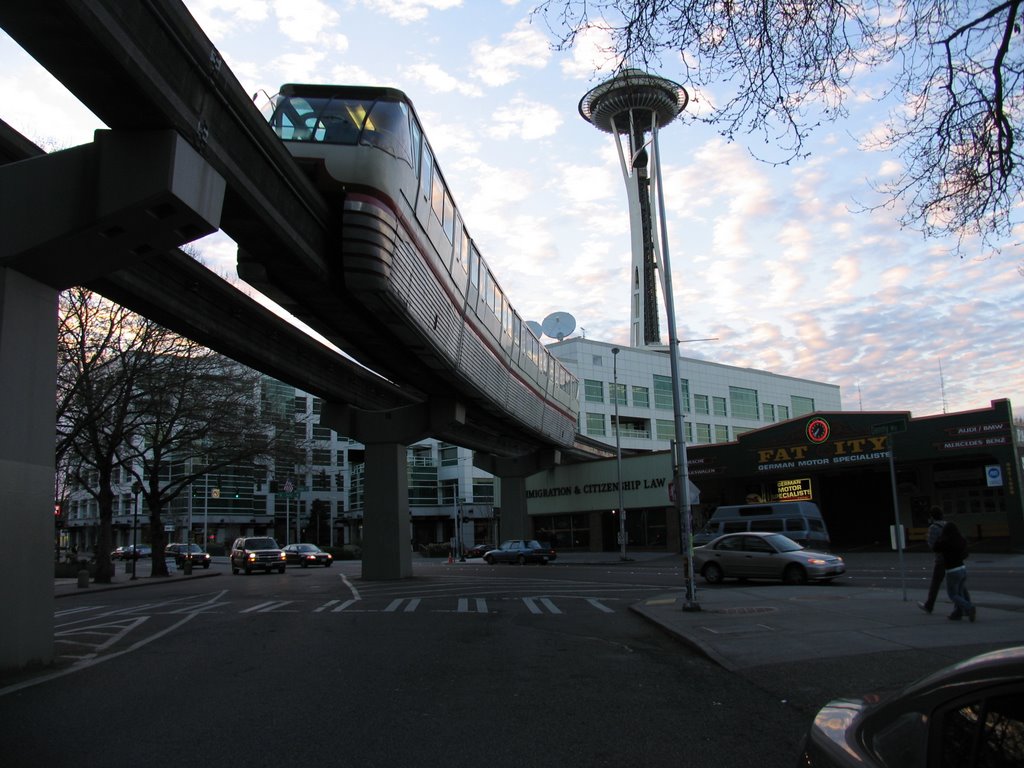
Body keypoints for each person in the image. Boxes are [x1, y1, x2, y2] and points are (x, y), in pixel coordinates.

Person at [932, 521, 976, 622]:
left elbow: (935, 547)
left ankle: (969, 607)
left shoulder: (945, 541)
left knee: (953, 594)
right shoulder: (960, 540)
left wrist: (940, 537)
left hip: (952, 570)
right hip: (962, 568)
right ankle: (958, 613)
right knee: (960, 593)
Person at [918, 507, 947, 613]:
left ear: (932, 517)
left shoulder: (933, 528)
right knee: (956, 583)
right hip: (952, 558)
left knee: (935, 583)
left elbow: (932, 545)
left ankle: (929, 605)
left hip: (941, 560)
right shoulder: (948, 525)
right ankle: (964, 605)